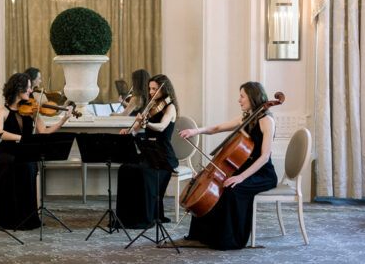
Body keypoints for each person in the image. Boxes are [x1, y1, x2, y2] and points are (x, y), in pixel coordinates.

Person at [179, 81, 277, 250]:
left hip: (262, 173)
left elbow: (264, 157)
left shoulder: (266, 120)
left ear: (252, 97)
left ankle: (231, 240)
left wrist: (240, 177)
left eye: (242, 96)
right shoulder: (247, 117)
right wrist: (195, 131)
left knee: (232, 189)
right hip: (245, 169)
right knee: (214, 187)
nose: (239, 100)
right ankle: (203, 236)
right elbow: (217, 128)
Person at [0, 72, 72, 230]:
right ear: (17, 89)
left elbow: (44, 132)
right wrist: (21, 138)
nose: (31, 91)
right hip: (6, 151)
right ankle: (7, 218)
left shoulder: (33, 111)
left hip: (25, 151)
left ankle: (26, 217)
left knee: (27, 165)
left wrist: (63, 120)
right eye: (28, 88)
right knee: (8, 164)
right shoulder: (3, 111)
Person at [115, 74, 178, 228]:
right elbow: (136, 130)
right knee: (126, 168)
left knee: (144, 172)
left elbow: (162, 126)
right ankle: (128, 217)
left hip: (163, 155)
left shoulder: (170, 107)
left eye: (155, 89)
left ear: (164, 89)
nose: (151, 92)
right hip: (148, 153)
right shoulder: (150, 106)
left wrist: (146, 123)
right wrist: (129, 131)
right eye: (150, 89)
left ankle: (147, 217)